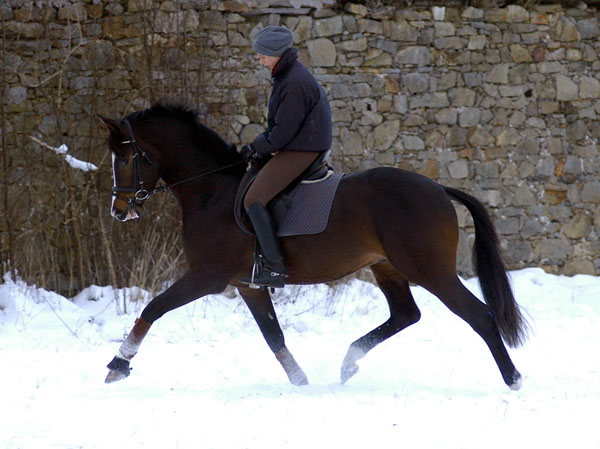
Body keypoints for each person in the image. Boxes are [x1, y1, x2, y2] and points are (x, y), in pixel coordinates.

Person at [238, 25, 332, 288]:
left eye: (263, 54)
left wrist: (256, 146)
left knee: (254, 199)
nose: (260, 59)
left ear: (276, 53)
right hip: (299, 144)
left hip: (303, 148)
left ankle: (276, 267)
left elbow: (282, 132)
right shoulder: (286, 75)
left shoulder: (293, 81)